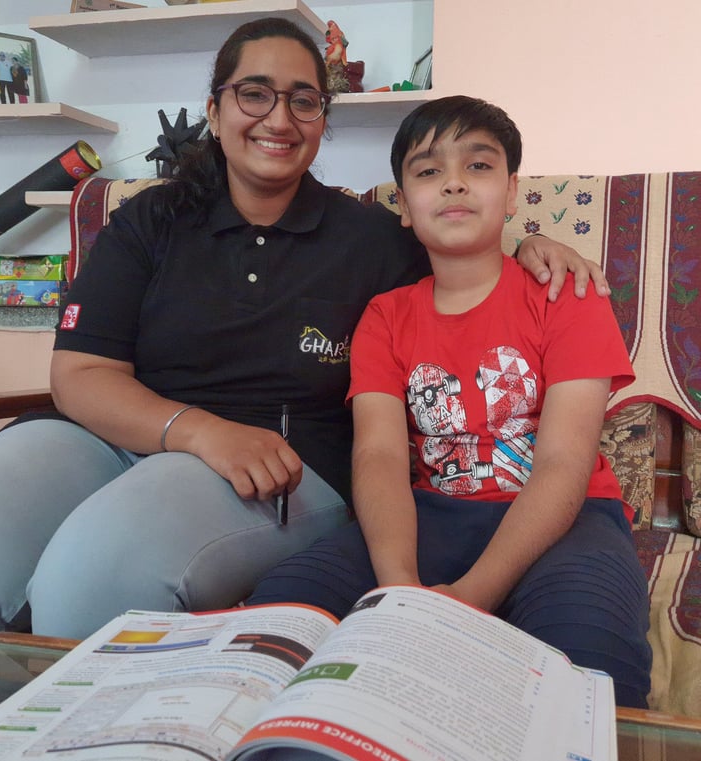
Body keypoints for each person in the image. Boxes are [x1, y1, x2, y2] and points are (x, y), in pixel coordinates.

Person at [0, 19, 606, 645]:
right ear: (216, 108)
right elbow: (79, 374)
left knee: (94, 566)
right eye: (254, 93)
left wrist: (532, 244)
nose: (278, 117)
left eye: (304, 100)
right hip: (108, 439)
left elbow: (462, 253)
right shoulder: (151, 219)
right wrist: (200, 431)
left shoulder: (369, 238)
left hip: (283, 469)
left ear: (321, 122)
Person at [246, 95, 652, 708]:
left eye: (479, 166)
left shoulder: (569, 295)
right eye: (429, 170)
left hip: (566, 519)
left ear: (513, 193)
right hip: (428, 513)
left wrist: (467, 599)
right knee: (272, 620)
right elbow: (379, 454)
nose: (455, 182)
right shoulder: (386, 316)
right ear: (405, 207)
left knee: (594, 666)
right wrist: (398, 592)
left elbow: (563, 464)